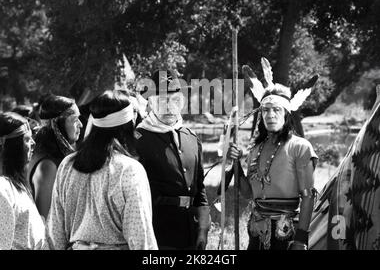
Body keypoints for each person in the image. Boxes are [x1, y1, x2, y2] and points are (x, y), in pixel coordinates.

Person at [46, 90, 157, 250]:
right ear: (127, 126)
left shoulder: (67, 164)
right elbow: (141, 237)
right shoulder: (129, 170)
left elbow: (55, 231)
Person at [228, 79, 318, 250]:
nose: (270, 115)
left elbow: (307, 197)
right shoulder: (255, 149)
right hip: (256, 232)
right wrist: (236, 165)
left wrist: (301, 239)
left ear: (286, 113)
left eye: (276, 110)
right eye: (265, 111)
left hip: (286, 233)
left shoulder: (300, 147)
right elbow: (248, 193)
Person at [135, 70, 210, 250]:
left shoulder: (191, 138)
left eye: (174, 101)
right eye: (162, 102)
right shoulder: (137, 139)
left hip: (190, 230)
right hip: (156, 231)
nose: (169, 107)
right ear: (150, 103)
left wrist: (202, 229)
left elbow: (200, 190)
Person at [28, 95, 83, 219]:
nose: (80, 125)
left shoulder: (56, 155)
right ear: (57, 123)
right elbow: (44, 219)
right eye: (75, 120)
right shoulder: (47, 165)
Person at [0, 112, 48, 249]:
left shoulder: (15, 184)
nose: (33, 143)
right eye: (27, 139)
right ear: (10, 146)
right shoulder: (2, 189)